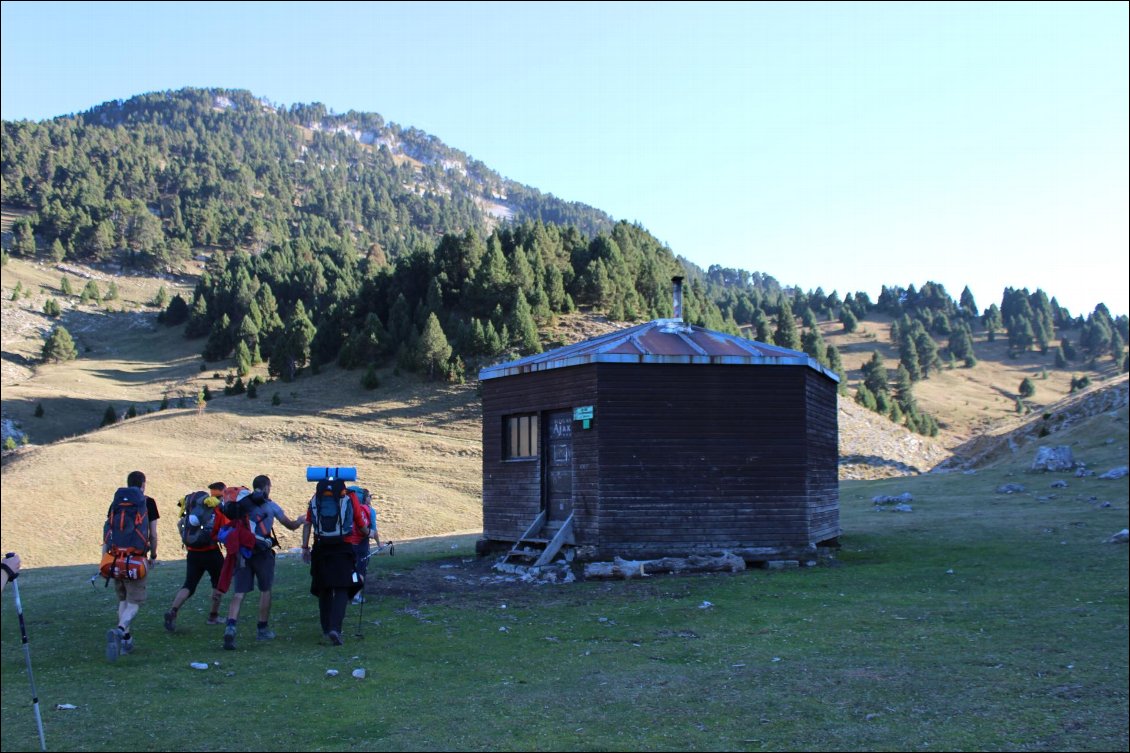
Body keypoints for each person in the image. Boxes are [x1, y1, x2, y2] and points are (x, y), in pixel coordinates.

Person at [221, 475, 303, 650]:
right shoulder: (271, 506)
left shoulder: (243, 505)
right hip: (262, 552)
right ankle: (262, 629)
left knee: (239, 592)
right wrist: (301, 520)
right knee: (265, 590)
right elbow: (290, 525)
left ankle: (230, 626)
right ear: (267, 487)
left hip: (243, 552)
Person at [302, 479, 366, 645]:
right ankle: (335, 628)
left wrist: (304, 547)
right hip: (342, 547)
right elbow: (359, 521)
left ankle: (325, 628)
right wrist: (367, 532)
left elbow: (308, 523)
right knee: (342, 588)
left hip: (321, 547)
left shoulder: (316, 498)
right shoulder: (349, 497)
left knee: (324, 588)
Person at [104, 470, 159, 662]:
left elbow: (108, 530)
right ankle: (120, 631)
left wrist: (104, 559)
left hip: (116, 558)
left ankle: (126, 641)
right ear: (143, 484)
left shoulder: (116, 503)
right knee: (135, 602)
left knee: (123, 600)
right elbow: (153, 534)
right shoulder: (147, 502)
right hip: (136, 560)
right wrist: (153, 555)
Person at [164, 482, 229, 631]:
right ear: (222, 494)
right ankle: (213, 616)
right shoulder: (217, 510)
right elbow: (222, 532)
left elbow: (181, 524)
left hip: (193, 552)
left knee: (189, 585)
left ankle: (173, 611)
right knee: (218, 583)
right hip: (211, 552)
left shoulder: (193, 509)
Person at [346, 487, 373, 605]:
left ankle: (345, 594)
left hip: (347, 543)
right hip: (361, 544)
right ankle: (356, 596)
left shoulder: (346, 508)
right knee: (360, 569)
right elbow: (367, 528)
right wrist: (372, 535)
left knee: (350, 569)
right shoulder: (366, 510)